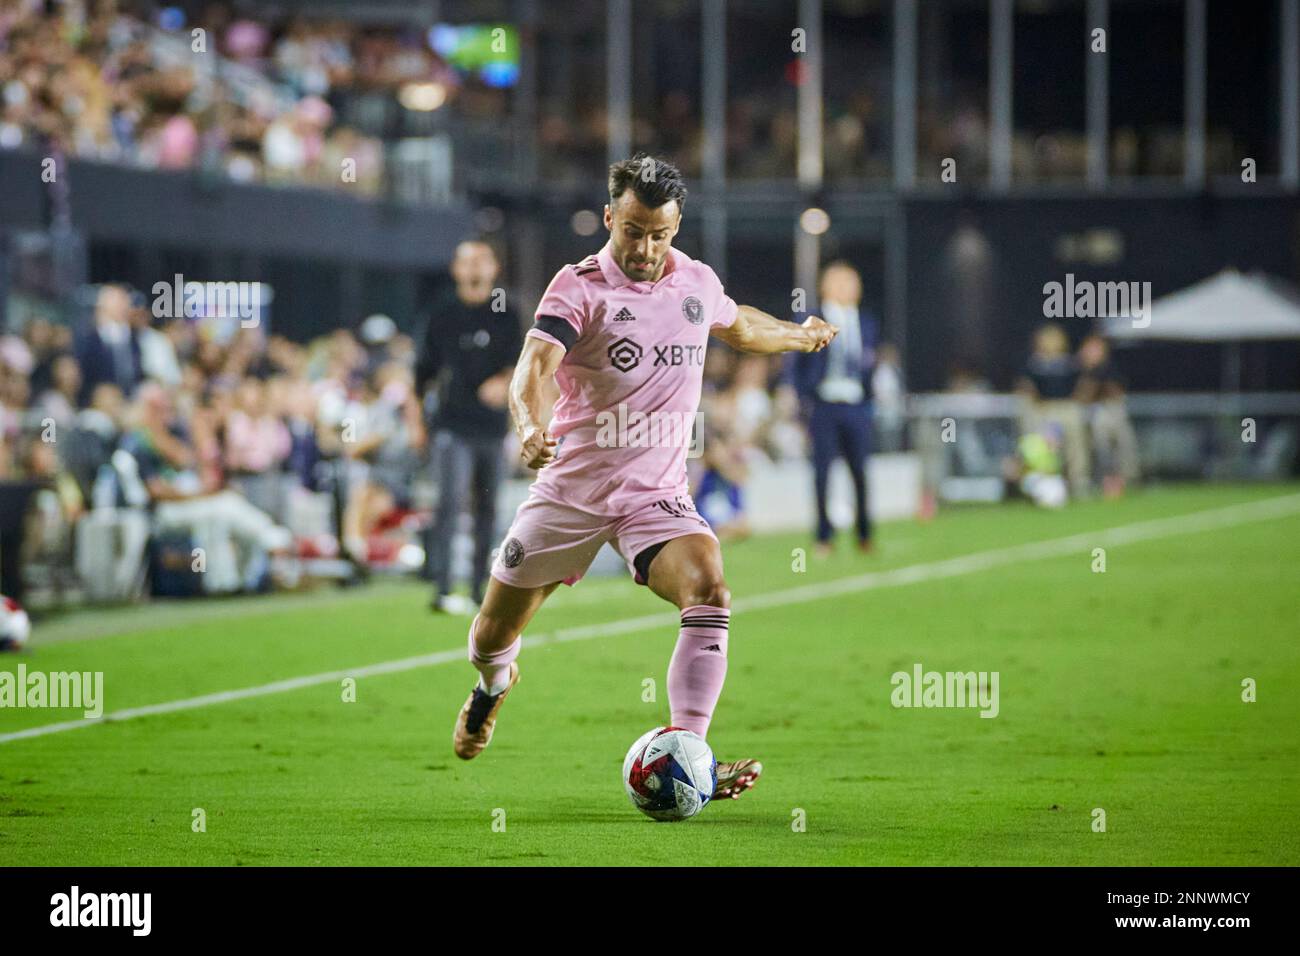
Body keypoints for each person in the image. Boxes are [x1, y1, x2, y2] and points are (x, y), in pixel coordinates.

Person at [449, 155, 837, 804]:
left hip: (655, 498)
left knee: (710, 588)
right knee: (492, 634)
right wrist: (527, 425)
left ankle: (691, 751)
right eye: (633, 231)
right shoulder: (578, 287)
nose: (646, 248)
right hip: (569, 493)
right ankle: (493, 686)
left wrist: (799, 336)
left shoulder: (695, 282)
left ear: (676, 227)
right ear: (609, 219)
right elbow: (534, 369)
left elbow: (740, 325)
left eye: (660, 234)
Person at [416, 240, 522, 613]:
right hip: (452, 426)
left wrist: (505, 379)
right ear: (456, 269)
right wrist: (418, 424)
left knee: (489, 509)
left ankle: (481, 587)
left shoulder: (506, 310)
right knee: (449, 504)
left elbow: (524, 363)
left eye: (482, 260)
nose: (475, 269)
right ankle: (443, 587)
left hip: (493, 428)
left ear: (494, 267)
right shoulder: (442, 312)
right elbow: (422, 374)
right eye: (468, 262)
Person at [790, 261, 878, 557]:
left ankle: (864, 534)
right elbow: (797, 364)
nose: (848, 287)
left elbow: (869, 364)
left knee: (861, 473)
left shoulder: (866, 322)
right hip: (824, 404)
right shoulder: (812, 319)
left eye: (852, 281)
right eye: (840, 281)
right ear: (826, 286)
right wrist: (803, 399)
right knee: (823, 473)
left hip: (855, 405)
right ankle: (823, 537)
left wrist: (869, 400)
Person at [1017, 324, 1090, 499]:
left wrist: (1078, 399)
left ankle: (1079, 482)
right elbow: (1026, 386)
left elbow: (1083, 384)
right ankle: (1042, 484)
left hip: (1067, 407)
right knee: (1045, 449)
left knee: (1076, 445)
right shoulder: (1035, 364)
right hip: (1045, 408)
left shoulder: (1070, 363)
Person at [1076, 334, 1139, 498]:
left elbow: (1116, 391)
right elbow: (1083, 395)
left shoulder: (1110, 367)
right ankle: (1101, 481)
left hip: (1113, 410)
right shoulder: (1079, 369)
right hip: (1093, 414)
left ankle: (1125, 480)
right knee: (1100, 447)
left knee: (1124, 444)